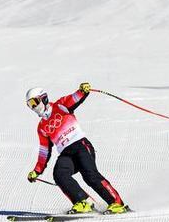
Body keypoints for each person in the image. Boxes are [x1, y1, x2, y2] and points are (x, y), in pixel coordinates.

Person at [25, 83, 129, 215]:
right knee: (59, 174)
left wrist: (82, 91)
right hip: (66, 153)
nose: (33, 107)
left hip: (81, 146)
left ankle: (117, 203)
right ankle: (82, 202)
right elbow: (44, 150)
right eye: (29, 105)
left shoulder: (60, 106)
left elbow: (73, 99)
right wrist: (37, 170)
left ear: (44, 98)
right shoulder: (41, 127)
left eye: (34, 102)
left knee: (89, 175)